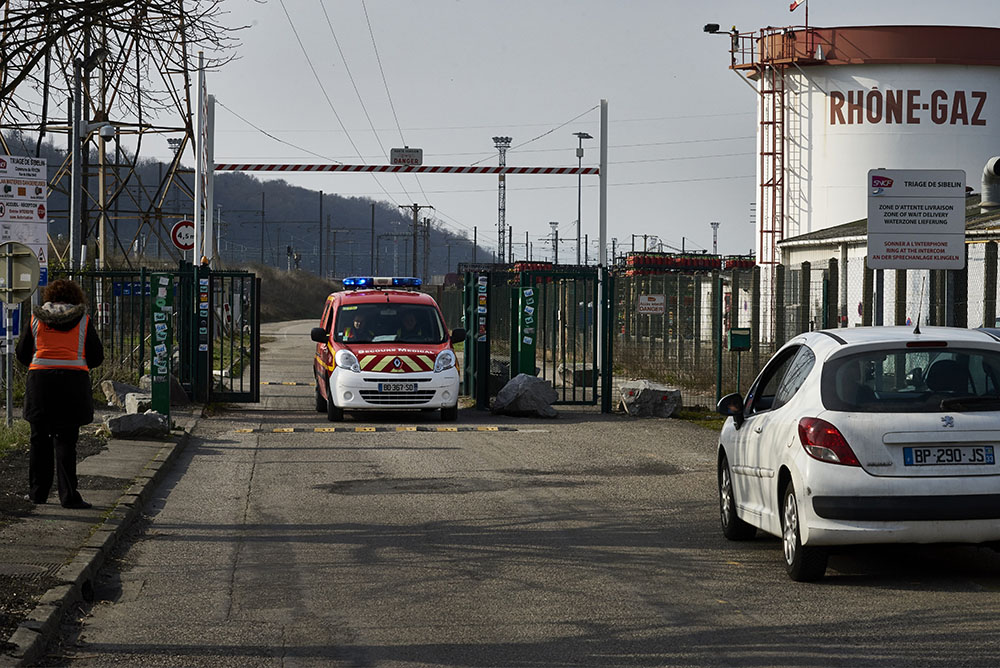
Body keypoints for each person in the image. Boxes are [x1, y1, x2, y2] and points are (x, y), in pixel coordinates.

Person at [15, 279, 104, 509]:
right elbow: (96, 356)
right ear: (76, 298)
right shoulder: (83, 320)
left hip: (40, 385)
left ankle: (38, 494)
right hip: (72, 386)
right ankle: (69, 496)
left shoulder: (36, 319)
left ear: (50, 297)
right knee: (66, 442)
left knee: (39, 441)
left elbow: (22, 353)